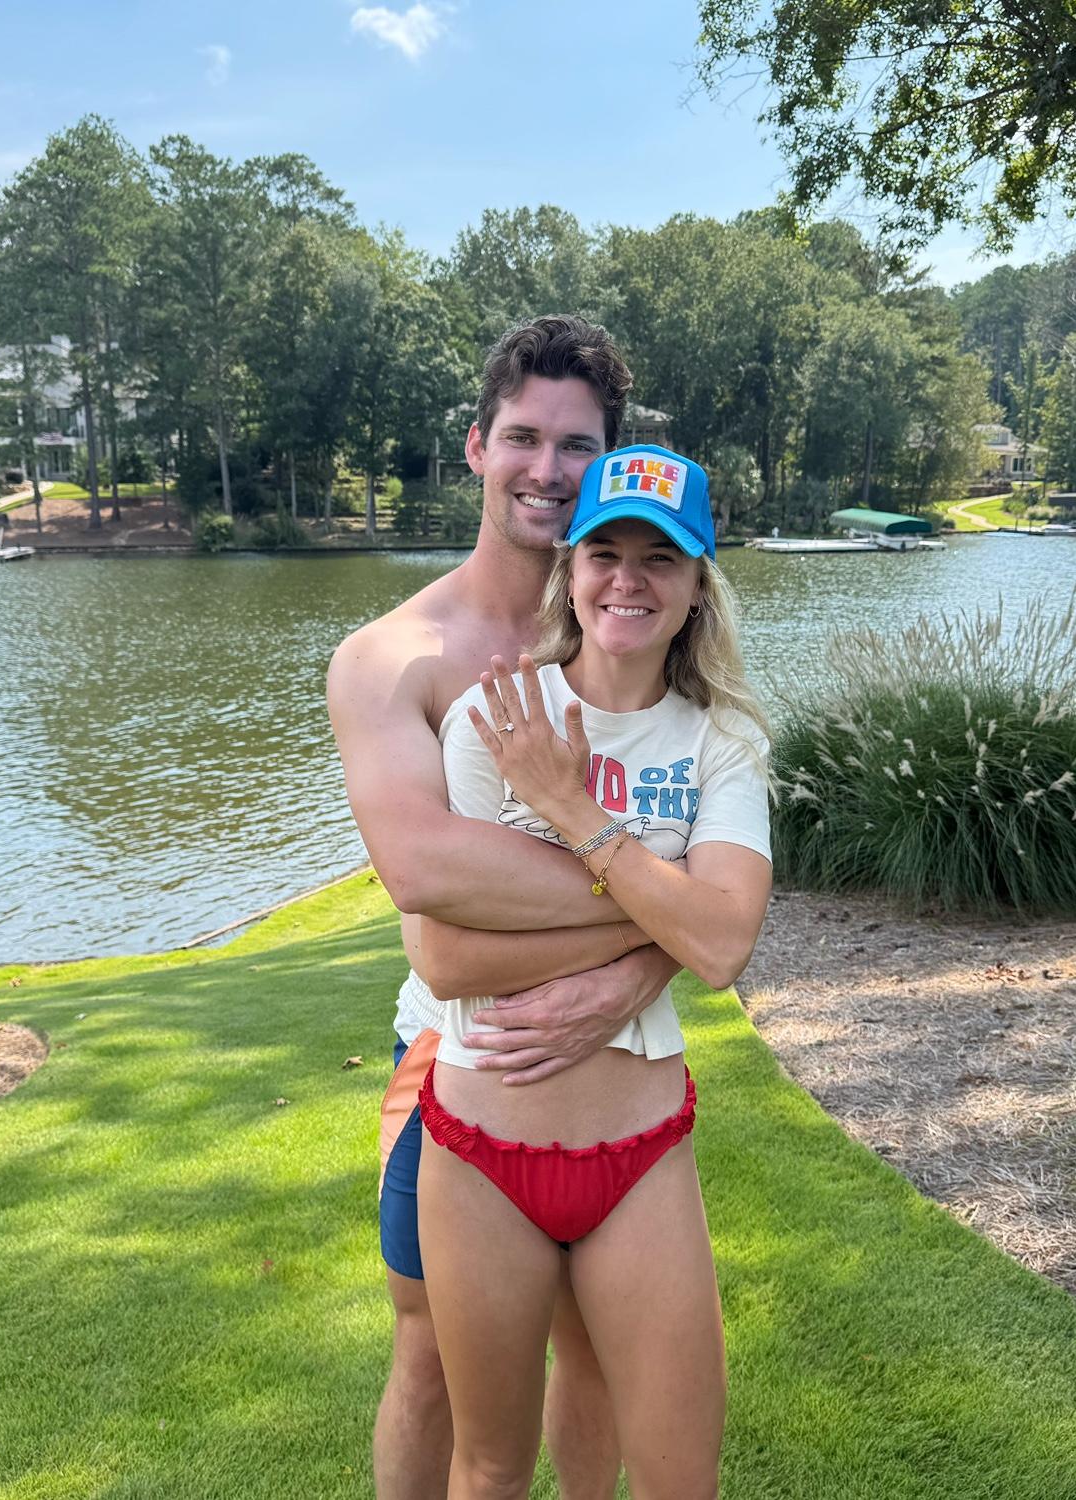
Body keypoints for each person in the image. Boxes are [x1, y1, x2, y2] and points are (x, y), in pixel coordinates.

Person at [328, 316, 683, 1500]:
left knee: (595, 1350)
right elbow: (428, 886)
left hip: (617, 1050)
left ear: (611, 462)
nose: (547, 469)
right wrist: (667, 916)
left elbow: (722, 855)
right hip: (452, 1053)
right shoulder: (392, 658)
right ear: (477, 446)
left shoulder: (640, 631)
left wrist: (639, 968)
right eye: (524, 437)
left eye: (577, 446)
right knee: (432, 1356)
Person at [409, 445, 772, 1499]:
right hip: (480, 1153)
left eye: (661, 558)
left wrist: (573, 812)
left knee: (676, 1480)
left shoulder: (722, 744)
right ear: (569, 570)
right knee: (489, 1467)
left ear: (698, 584)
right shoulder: (495, 719)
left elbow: (723, 947)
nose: (628, 580)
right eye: (605, 552)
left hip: (640, 1157)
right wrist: (660, 916)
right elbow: (447, 953)